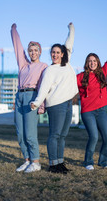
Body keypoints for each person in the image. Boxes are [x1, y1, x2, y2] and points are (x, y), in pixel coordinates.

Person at [31, 22, 78, 174]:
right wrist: (37, 102)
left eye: (58, 52)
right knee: (55, 135)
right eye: (53, 52)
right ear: (50, 54)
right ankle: (52, 165)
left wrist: (71, 29)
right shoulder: (50, 70)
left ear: (63, 54)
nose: (55, 55)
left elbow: (69, 43)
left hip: (68, 102)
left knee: (63, 136)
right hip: (56, 105)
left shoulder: (66, 63)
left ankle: (60, 162)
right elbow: (43, 88)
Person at [77, 36, 107, 170]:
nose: (92, 63)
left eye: (94, 61)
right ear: (86, 63)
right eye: (89, 61)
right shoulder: (80, 77)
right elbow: (68, 84)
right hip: (87, 112)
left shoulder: (102, 73)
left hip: (101, 111)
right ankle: (88, 162)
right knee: (93, 137)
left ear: (97, 62)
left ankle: (103, 162)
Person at [11, 23, 48, 173]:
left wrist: (41, 105)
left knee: (30, 133)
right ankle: (27, 160)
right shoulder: (23, 65)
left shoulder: (44, 66)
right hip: (19, 96)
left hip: (32, 97)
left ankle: (36, 162)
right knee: (20, 132)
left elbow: (44, 87)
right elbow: (17, 48)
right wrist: (14, 31)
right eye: (31, 50)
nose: (33, 53)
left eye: (35, 50)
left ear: (39, 52)